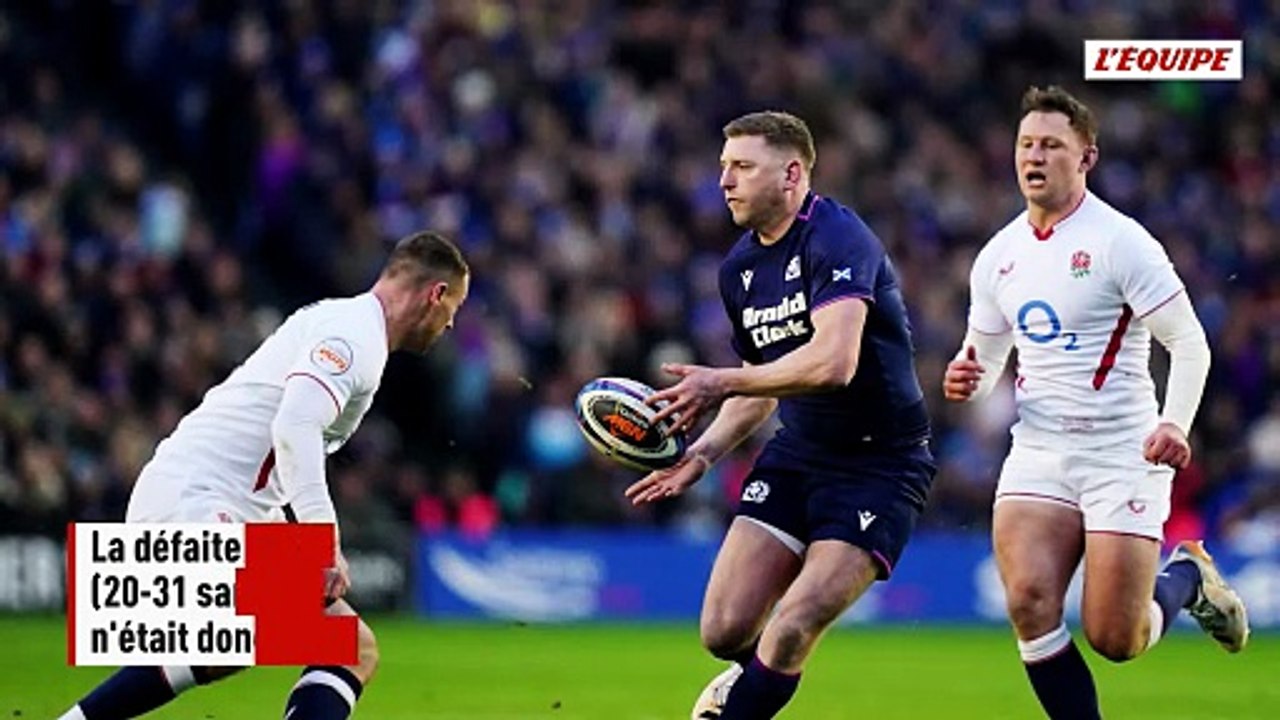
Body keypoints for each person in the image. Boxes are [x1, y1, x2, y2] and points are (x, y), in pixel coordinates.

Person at [58, 231, 470, 720]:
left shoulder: (349, 327)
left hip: (209, 496)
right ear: (435, 294)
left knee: (250, 652)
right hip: (197, 498)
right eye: (455, 309)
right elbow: (293, 425)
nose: (451, 324)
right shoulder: (353, 337)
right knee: (342, 648)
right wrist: (321, 538)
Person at [942, 85, 1249, 719]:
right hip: (1040, 447)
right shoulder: (998, 255)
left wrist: (1174, 423)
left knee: (1116, 638)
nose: (1035, 155)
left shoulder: (1121, 242)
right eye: (1027, 144)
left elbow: (1189, 344)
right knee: (1029, 603)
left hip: (1121, 450)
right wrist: (969, 375)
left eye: (1052, 145)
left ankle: (1186, 578)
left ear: (1087, 158)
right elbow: (989, 353)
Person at [625, 111, 935, 720]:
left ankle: (746, 701)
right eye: (723, 167)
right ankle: (753, 684)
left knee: (792, 626)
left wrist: (722, 379)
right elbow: (763, 387)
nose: (724, 181)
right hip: (800, 453)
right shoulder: (738, 269)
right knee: (722, 629)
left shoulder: (840, 238)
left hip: (880, 465)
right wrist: (703, 454)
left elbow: (833, 363)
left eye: (742, 166)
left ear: (792, 174)